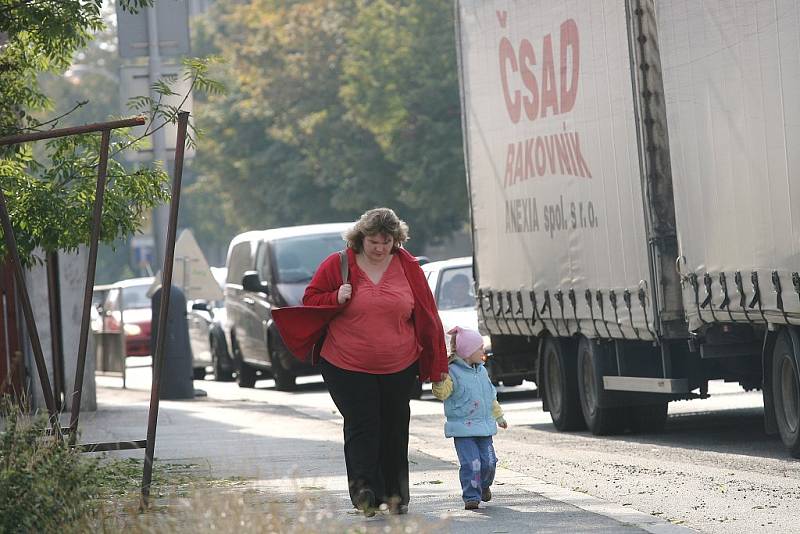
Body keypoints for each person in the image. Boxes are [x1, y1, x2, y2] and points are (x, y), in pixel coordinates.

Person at [302, 207, 448, 516]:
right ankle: (365, 492)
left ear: (396, 240)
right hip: (345, 363)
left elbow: (427, 316)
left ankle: (394, 495)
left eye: (387, 241)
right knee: (363, 423)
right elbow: (310, 300)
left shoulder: (408, 267)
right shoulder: (339, 264)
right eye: (373, 242)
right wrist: (334, 297)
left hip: (400, 363)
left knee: (394, 426)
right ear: (360, 239)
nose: (380, 248)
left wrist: (437, 367)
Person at [432, 326, 507, 510]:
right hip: (463, 429)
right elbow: (442, 394)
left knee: (489, 462)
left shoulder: (481, 371)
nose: (483, 351)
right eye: (479, 348)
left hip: (484, 427)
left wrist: (499, 416)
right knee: (471, 464)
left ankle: (483, 486)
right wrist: (439, 380)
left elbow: (490, 396)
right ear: (467, 352)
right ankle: (471, 496)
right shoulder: (452, 373)